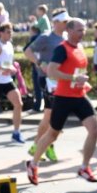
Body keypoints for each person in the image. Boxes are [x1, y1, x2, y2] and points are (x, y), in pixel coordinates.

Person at [26, 17, 97, 185]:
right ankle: (33, 164)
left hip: (80, 95)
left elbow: (78, 69)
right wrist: (73, 77)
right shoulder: (62, 49)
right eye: (80, 30)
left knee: (94, 130)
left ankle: (84, 167)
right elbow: (52, 72)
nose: (83, 33)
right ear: (70, 31)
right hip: (63, 97)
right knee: (52, 134)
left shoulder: (80, 48)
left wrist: (82, 81)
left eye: (84, 30)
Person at [23, 9, 70, 162]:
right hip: (47, 80)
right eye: (64, 22)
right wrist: (39, 63)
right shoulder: (46, 37)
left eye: (67, 21)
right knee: (51, 115)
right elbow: (28, 51)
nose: (66, 24)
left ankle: (38, 145)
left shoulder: (67, 38)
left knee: (52, 116)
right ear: (55, 22)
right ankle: (46, 145)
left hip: (62, 80)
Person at [24, 25, 43, 112]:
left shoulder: (35, 38)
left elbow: (26, 49)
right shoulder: (44, 37)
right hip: (45, 63)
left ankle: (37, 106)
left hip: (37, 64)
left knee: (37, 86)